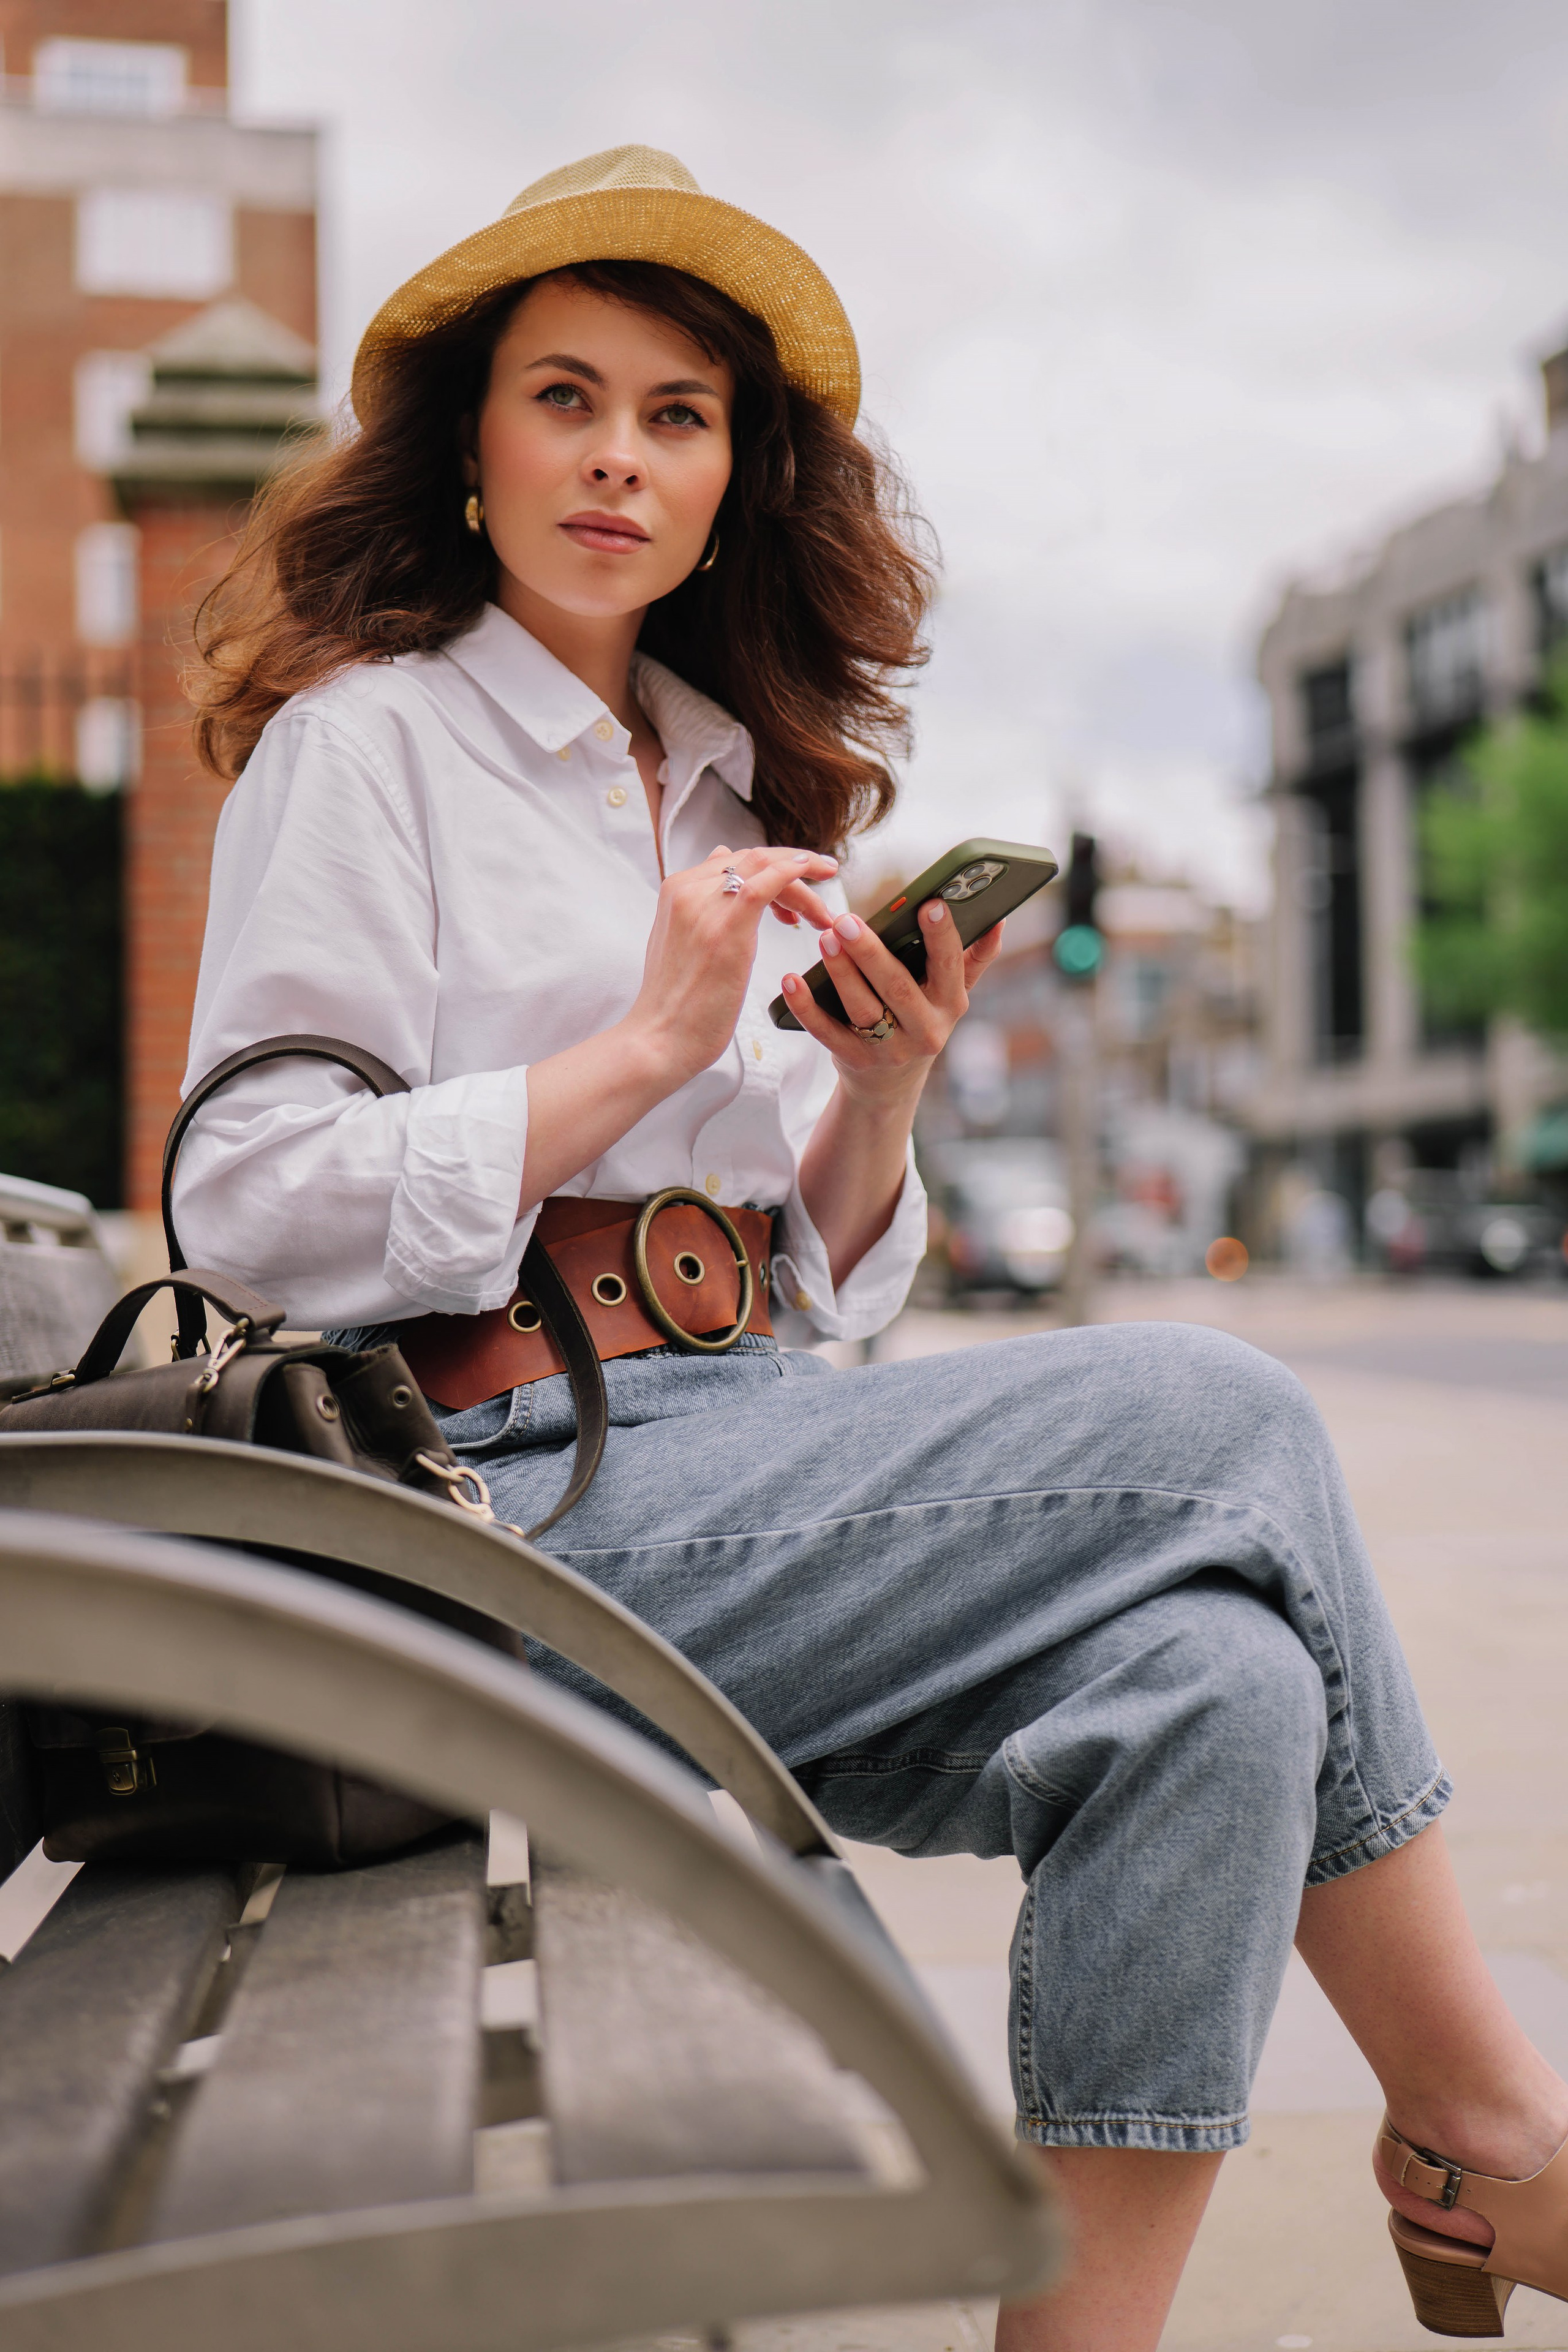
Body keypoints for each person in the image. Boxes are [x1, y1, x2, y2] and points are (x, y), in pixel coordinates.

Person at [174, 146, 1568, 2350]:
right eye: (567, 397)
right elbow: (244, 1194)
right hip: (487, 1527)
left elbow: (807, 1298)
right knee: (1224, 1415)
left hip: (718, 1475)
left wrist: (884, 1095)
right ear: (470, 453)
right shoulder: (370, 753)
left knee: (1222, 1689)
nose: (622, 455)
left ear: (734, 483)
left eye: (679, 415)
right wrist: (640, 1049)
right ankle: (1484, 2124)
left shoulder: (731, 791)